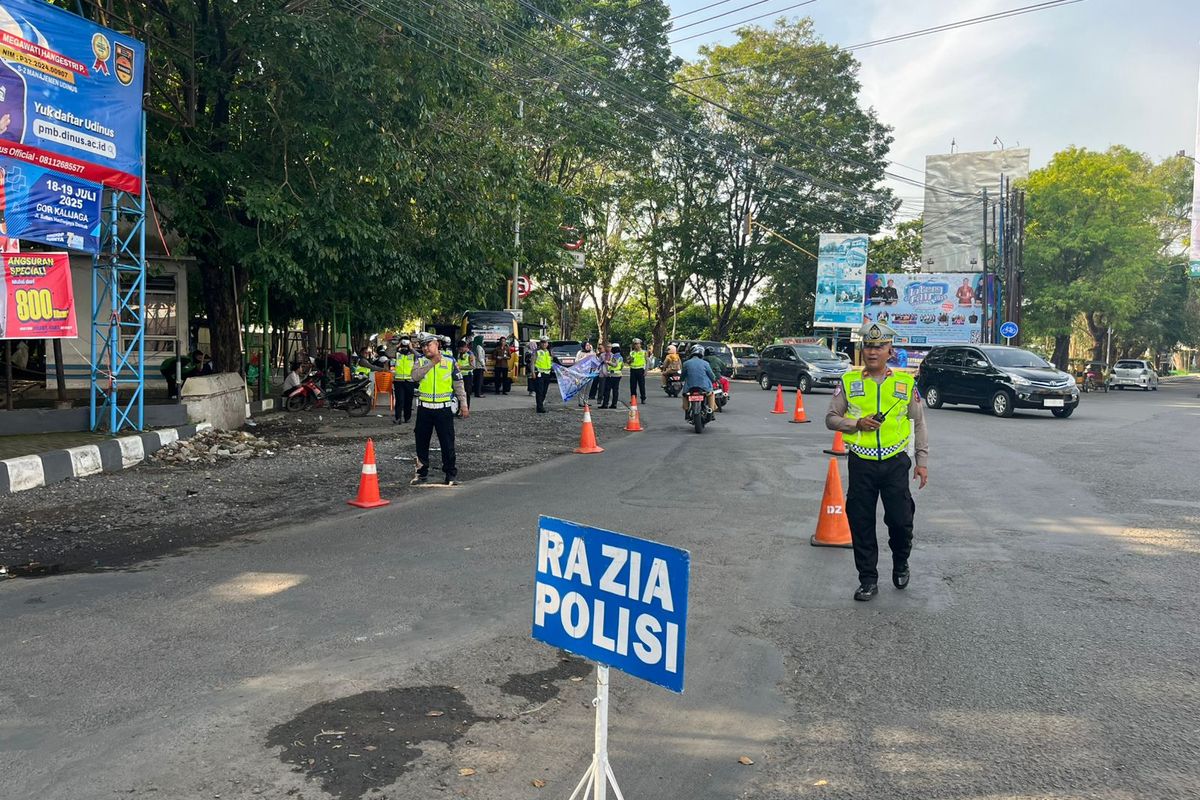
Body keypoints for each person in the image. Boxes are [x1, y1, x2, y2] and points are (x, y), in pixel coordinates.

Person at [825, 321, 929, 602]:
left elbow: (918, 424)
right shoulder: (849, 382)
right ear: (862, 350)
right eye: (868, 346)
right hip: (862, 463)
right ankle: (868, 579)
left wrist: (921, 460)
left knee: (900, 520)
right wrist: (856, 423)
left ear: (890, 351)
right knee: (861, 522)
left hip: (896, 463)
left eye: (879, 346)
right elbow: (831, 419)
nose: (873, 352)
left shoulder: (905, 383)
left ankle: (901, 562)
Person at [410, 332, 469, 486]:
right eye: (423, 346)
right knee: (421, 443)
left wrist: (463, 404)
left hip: (443, 409)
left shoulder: (450, 361)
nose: (425, 348)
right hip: (425, 409)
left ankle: (450, 474)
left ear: (437, 345)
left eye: (428, 345)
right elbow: (414, 377)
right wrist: (432, 363)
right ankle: (421, 473)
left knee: (447, 442)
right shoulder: (421, 361)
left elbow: (458, 384)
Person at [680, 344, 717, 413]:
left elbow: (682, 377)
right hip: (704, 387)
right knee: (711, 394)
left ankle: (687, 409)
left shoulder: (686, 363)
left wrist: (681, 380)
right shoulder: (706, 363)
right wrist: (714, 380)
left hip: (689, 388)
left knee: (684, 395)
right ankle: (711, 410)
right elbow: (711, 375)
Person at [392, 337, 416, 424]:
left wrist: (411, 348)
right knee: (399, 400)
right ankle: (398, 418)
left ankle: (407, 417)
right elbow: (388, 353)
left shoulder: (412, 354)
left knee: (408, 400)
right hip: (399, 381)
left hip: (409, 381)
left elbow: (420, 356)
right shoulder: (397, 354)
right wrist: (397, 346)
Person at [531, 336, 556, 413]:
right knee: (540, 391)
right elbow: (532, 363)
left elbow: (552, 361)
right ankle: (540, 407)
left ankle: (540, 404)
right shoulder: (536, 351)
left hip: (547, 373)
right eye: (543, 342)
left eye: (546, 342)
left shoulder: (549, 352)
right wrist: (532, 373)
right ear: (540, 343)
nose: (544, 344)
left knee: (544, 392)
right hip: (539, 373)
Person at [600, 343, 624, 409]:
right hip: (618, 374)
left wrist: (608, 362)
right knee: (615, 390)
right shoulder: (620, 356)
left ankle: (605, 404)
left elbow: (615, 365)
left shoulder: (615, 356)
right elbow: (622, 366)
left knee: (607, 390)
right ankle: (614, 404)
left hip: (613, 375)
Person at [456, 339, 477, 409]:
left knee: (466, 393)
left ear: (465, 347)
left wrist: (461, 367)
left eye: (461, 349)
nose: (460, 350)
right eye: (459, 349)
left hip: (467, 376)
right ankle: (459, 408)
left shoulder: (470, 354)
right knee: (459, 393)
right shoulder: (459, 353)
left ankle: (465, 409)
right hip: (459, 376)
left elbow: (473, 366)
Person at [627, 338, 648, 404]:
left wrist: (646, 370)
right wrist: (630, 360)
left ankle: (643, 398)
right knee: (633, 386)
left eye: (637, 344)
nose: (636, 345)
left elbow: (647, 362)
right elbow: (628, 362)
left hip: (641, 370)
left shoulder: (644, 352)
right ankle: (633, 398)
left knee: (641, 385)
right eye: (635, 344)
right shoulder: (632, 352)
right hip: (633, 370)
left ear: (640, 344)